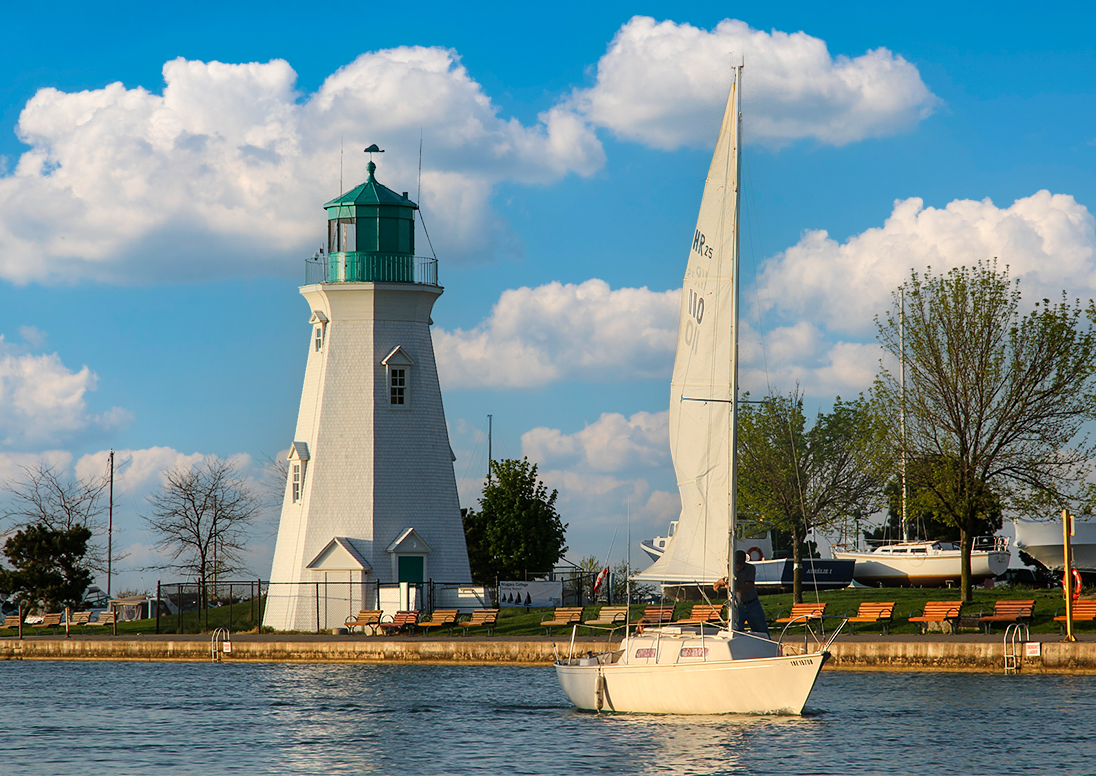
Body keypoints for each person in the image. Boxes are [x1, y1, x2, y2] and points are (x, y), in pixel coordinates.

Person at [732, 549, 770, 638]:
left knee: (761, 630)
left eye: (741, 563)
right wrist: (721, 582)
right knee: (736, 632)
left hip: (752, 603)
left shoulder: (750, 568)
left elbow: (747, 588)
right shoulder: (729, 569)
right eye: (737, 563)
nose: (739, 565)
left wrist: (731, 586)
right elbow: (719, 582)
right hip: (737, 604)